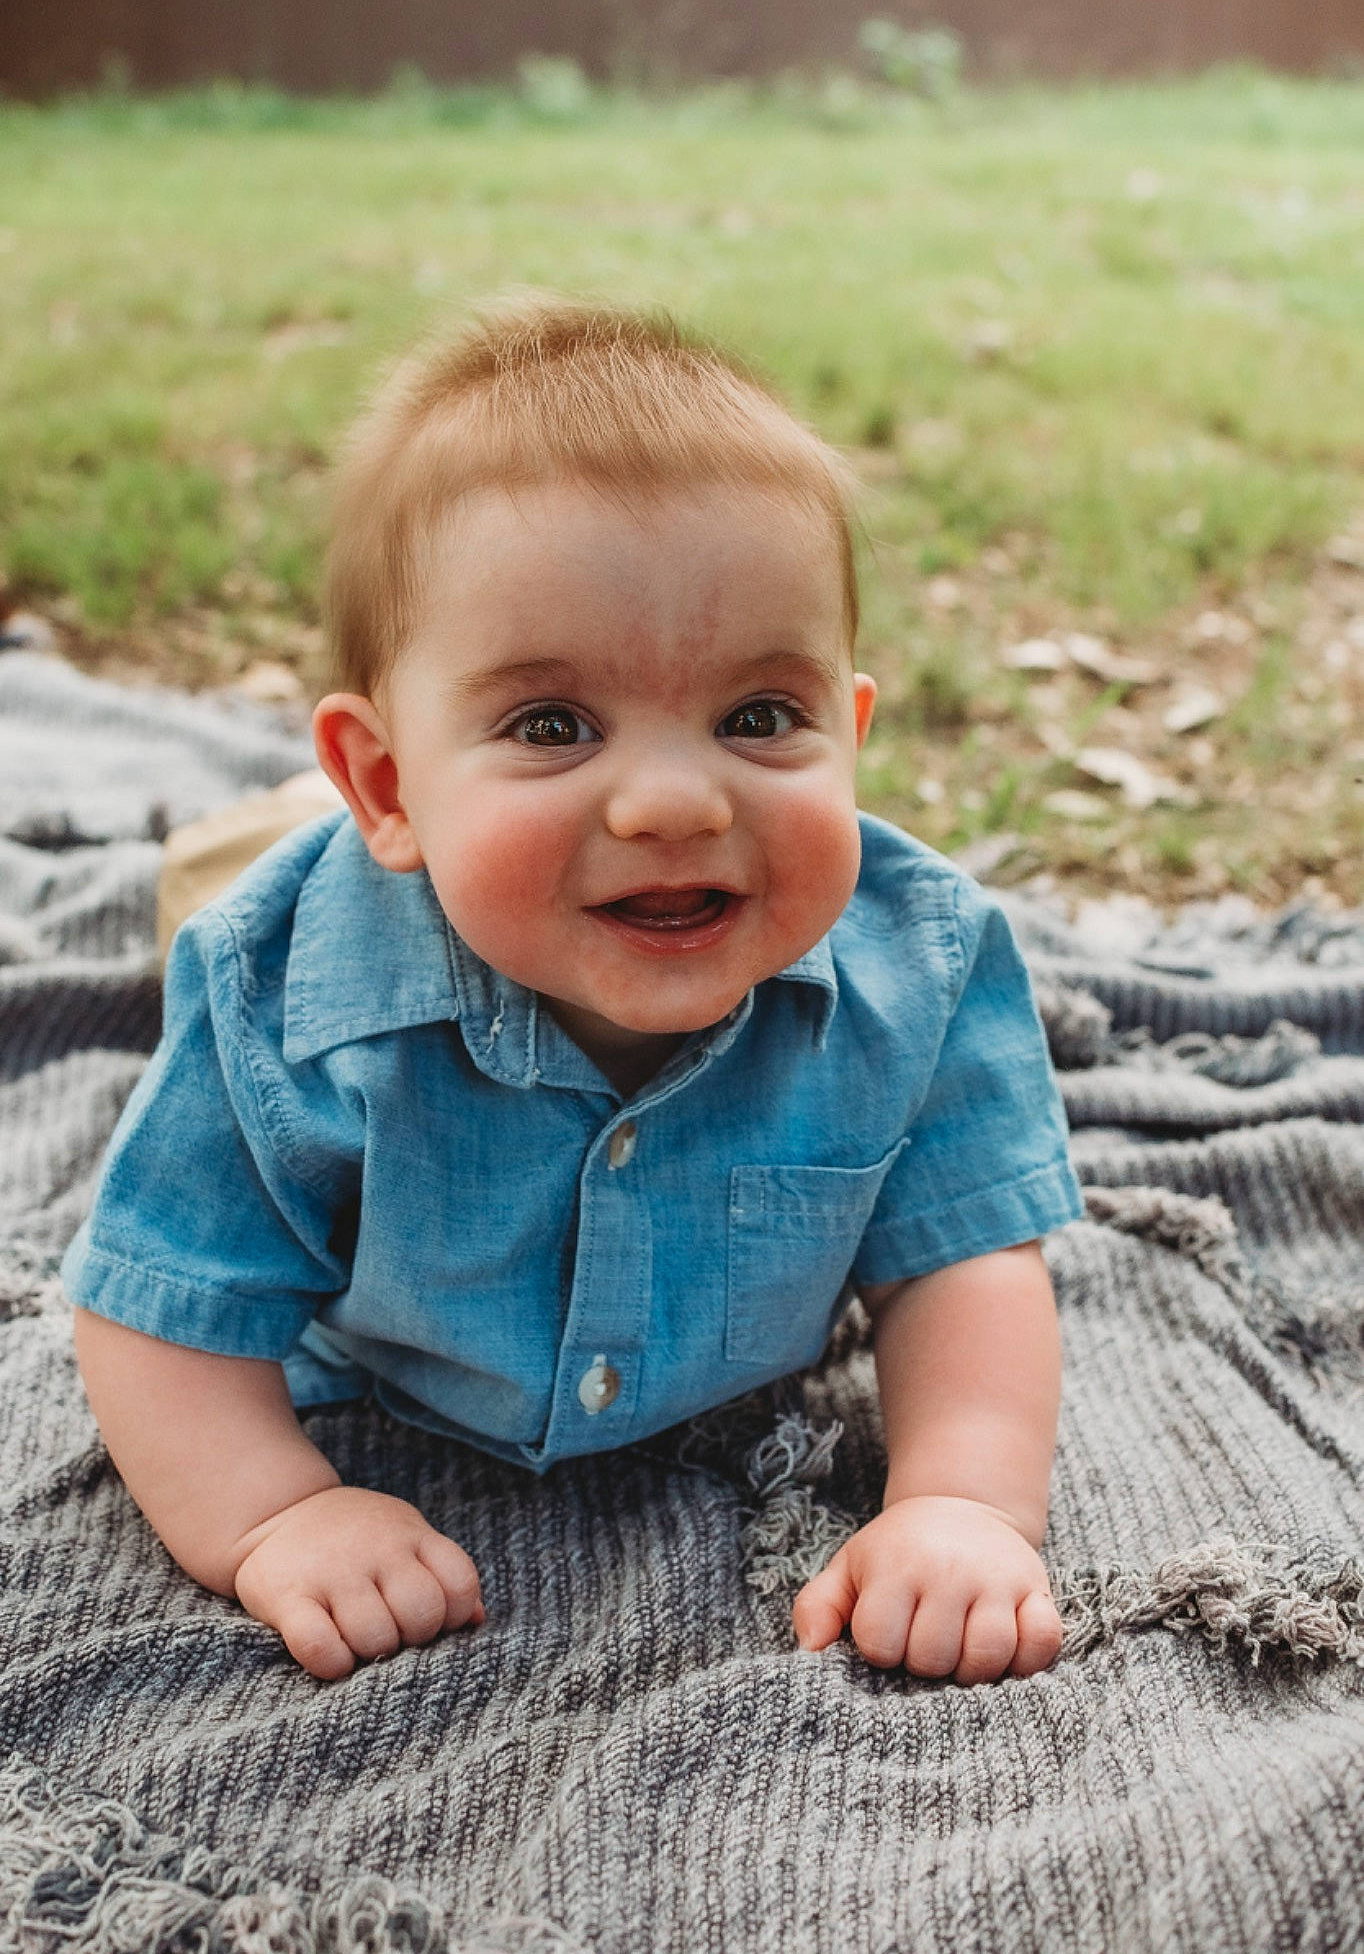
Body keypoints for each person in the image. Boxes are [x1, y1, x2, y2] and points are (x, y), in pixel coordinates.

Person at [62, 297, 1085, 1687]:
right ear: (389, 779)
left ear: (848, 738)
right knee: (230, 883)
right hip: (347, 952)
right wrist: (274, 1513)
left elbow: (964, 1265)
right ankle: (276, 823)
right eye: (554, 726)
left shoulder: (925, 970)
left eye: (757, 719)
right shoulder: (286, 1003)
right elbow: (156, 1302)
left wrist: (964, 1504)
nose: (674, 799)